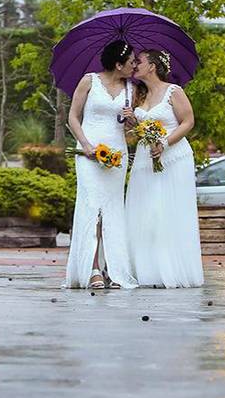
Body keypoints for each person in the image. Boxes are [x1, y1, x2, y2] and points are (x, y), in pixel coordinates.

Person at [123, 50, 204, 288]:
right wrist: (132, 123)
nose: (135, 64)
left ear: (153, 66)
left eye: (139, 61)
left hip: (173, 159)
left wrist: (165, 143)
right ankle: (146, 271)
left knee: (167, 212)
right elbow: (139, 131)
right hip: (144, 159)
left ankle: (171, 270)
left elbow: (188, 121)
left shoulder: (173, 91)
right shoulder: (139, 95)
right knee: (145, 214)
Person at [65, 40, 137, 290]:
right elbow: (73, 117)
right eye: (131, 62)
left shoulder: (131, 88)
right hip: (89, 154)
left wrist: (132, 120)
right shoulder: (89, 81)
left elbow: (129, 128)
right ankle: (92, 268)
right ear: (118, 64)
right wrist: (85, 144)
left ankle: (113, 269)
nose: (135, 66)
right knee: (92, 209)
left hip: (117, 155)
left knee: (113, 210)